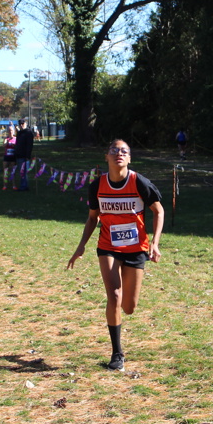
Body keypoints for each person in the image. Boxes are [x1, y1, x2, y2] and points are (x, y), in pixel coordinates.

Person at [67, 140, 164, 372]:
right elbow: (93, 218)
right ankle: (117, 353)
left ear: (129, 158)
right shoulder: (97, 185)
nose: (118, 154)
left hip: (136, 248)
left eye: (124, 151)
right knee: (114, 296)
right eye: (114, 150)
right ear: (106, 157)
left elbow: (158, 211)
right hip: (108, 246)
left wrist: (155, 243)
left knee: (129, 307)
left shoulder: (139, 182)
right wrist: (81, 246)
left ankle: (121, 329)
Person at [15, 119, 35, 191]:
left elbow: (29, 145)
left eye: (22, 124)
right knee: (21, 172)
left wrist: (28, 156)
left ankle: (24, 186)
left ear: (25, 124)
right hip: (19, 155)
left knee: (24, 172)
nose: (21, 125)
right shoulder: (19, 133)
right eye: (20, 124)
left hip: (25, 155)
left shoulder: (28, 133)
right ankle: (23, 185)